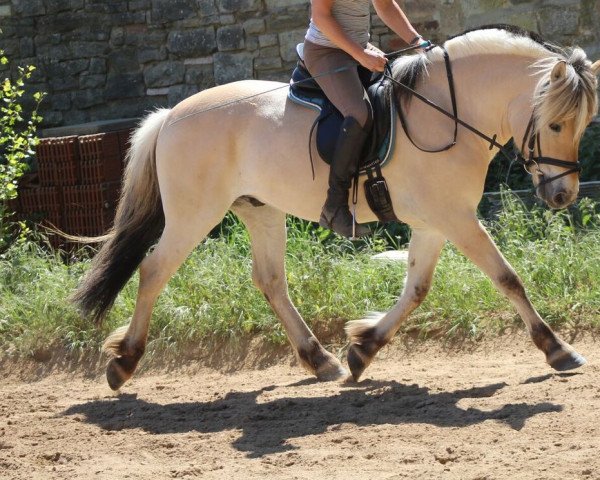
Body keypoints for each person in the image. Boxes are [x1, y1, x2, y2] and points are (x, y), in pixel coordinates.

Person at [303, 0, 423, 237]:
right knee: (358, 113)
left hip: (358, 47)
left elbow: (386, 6)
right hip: (325, 51)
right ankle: (334, 206)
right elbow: (321, 16)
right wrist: (360, 54)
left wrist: (417, 42)